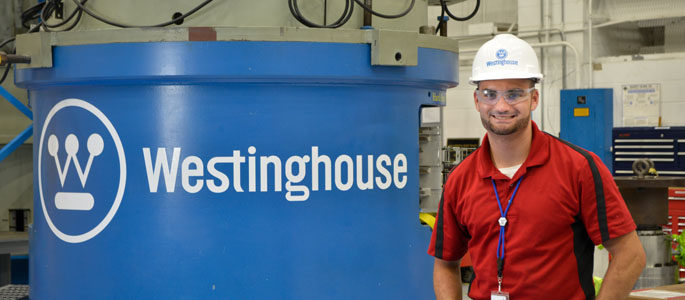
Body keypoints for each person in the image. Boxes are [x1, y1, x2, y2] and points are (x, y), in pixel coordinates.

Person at [428, 34, 646, 300]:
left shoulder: (579, 168)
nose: (501, 105)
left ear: (534, 99)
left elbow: (630, 255)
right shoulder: (460, 179)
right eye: (490, 94)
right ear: (476, 101)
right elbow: (445, 263)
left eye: (514, 94)